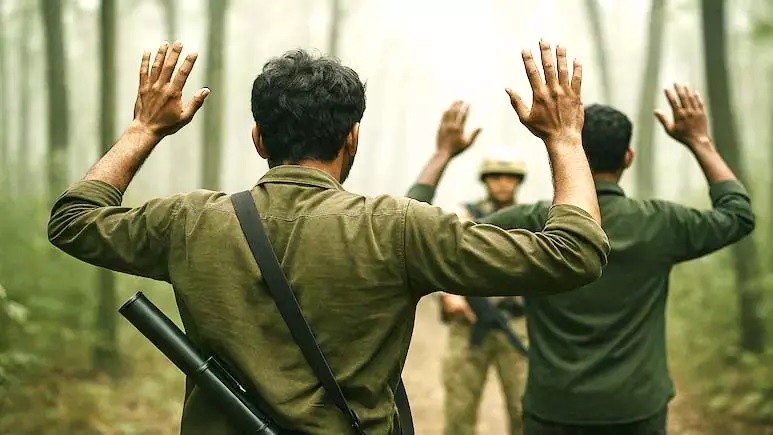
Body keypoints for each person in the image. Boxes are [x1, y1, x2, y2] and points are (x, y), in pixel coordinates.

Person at [47, 39, 610, 434]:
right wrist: (564, 138)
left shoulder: (190, 221)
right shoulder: (397, 228)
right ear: (352, 138)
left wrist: (144, 128)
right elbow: (576, 254)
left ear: (259, 138)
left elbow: (73, 221)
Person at [406, 85, 755, 434]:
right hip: (637, 408)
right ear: (628, 158)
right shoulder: (662, 224)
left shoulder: (534, 220)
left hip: (553, 410)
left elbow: (416, 233)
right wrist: (699, 141)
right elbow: (737, 215)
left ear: (576, 154)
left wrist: (442, 154)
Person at [429, 108, 531, 435]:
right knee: (459, 411)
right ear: (486, 180)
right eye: (496, 177)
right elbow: (440, 258)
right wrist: (449, 295)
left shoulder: (532, 219)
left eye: (509, 177)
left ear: (518, 181)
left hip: (517, 324)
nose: (503, 183)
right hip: (470, 322)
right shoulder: (464, 216)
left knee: (526, 411)